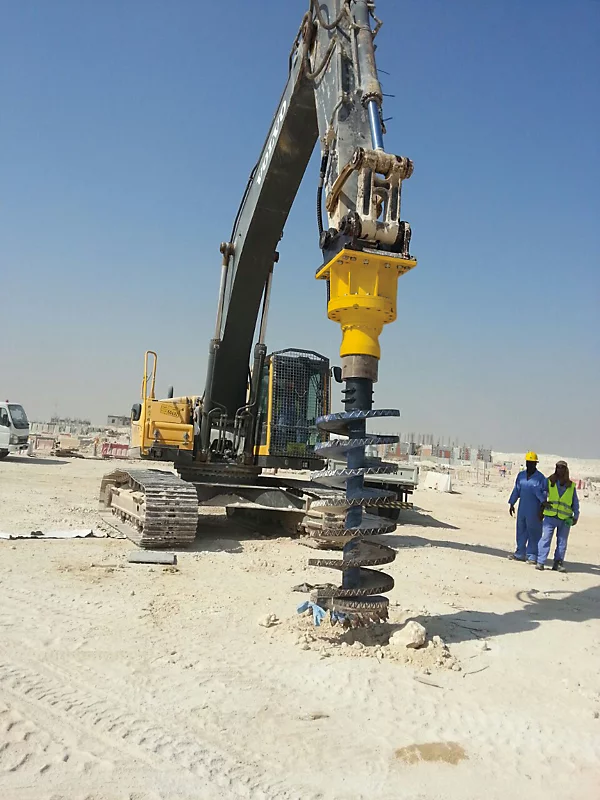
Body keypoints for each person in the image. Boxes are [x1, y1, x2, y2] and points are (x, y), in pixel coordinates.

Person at [536, 460, 580, 572]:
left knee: (562, 542)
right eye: (558, 467)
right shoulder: (550, 481)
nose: (560, 469)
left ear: (566, 470)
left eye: (562, 468)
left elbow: (575, 502)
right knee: (545, 539)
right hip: (550, 516)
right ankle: (541, 561)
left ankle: (558, 563)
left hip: (565, 519)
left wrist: (576, 516)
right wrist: (543, 502)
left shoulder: (571, 486)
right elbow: (538, 490)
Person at [507, 451, 547, 563]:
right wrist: (512, 503)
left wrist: (542, 511)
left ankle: (532, 555)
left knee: (534, 532)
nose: (530, 464)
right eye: (528, 462)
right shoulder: (521, 476)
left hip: (534, 510)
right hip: (522, 508)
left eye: (532, 462)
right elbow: (516, 490)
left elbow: (544, 496)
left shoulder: (540, 478)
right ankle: (520, 553)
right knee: (521, 530)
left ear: (536, 464)